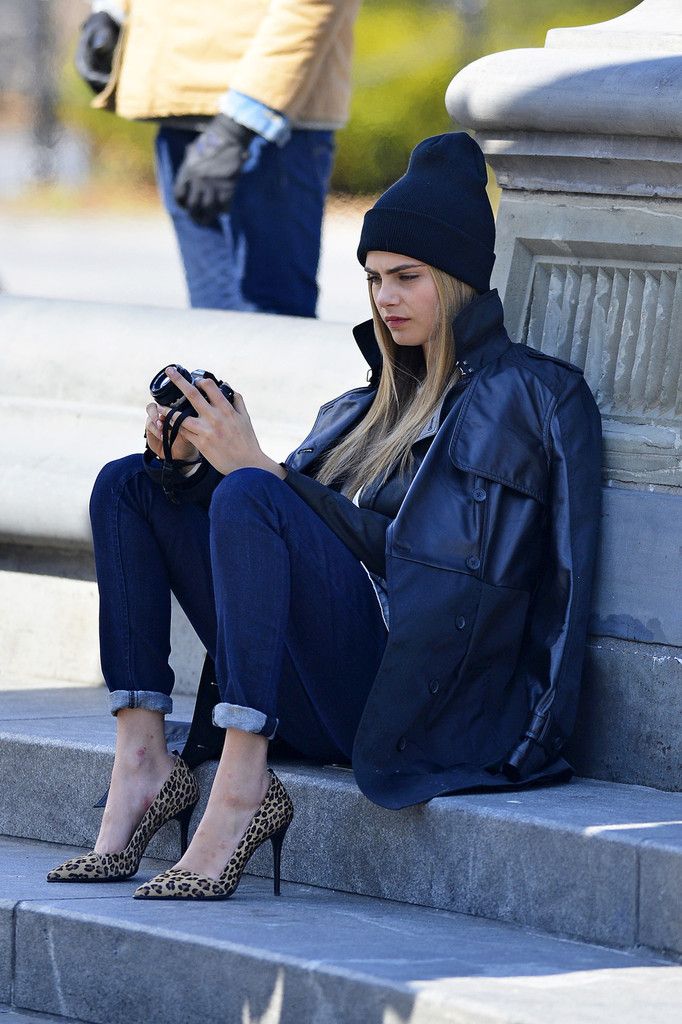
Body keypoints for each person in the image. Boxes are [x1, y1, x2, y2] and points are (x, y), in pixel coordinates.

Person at [47, 133, 602, 900]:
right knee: (132, 486)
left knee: (250, 490)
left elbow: (444, 580)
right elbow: (277, 536)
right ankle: (142, 764)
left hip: (409, 704)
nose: (386, 299)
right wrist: (188, 464)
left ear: (462, 280)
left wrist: (264, 472)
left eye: (408, 278)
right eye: (374, 279)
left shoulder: (528, 396)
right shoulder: (355, 410)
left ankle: (242, 787)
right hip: (317, 685)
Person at [75, 0, 360, 315]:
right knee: (212, 323)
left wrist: (238, 126)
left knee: (273, 325)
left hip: (267, 124)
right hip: (184, 110)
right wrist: (112, 11)